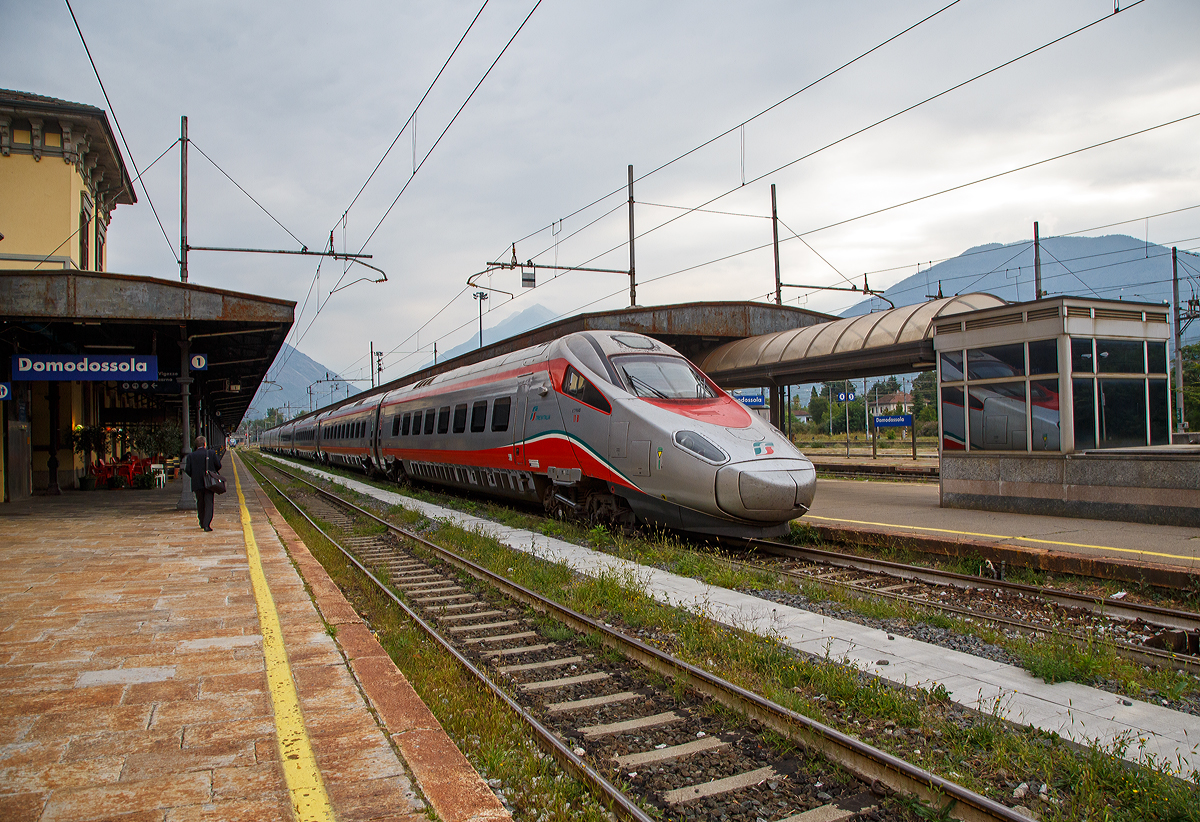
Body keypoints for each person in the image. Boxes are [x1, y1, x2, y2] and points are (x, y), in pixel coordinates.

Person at [183, 435, 223, 531]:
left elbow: (187, 469)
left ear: (196, 445)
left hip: (197, 483)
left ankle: (201, 521)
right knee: (209, 502)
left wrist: (195, 476)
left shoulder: (191, 456)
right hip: (209, 482)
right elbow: (219, 465)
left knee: (200, 502)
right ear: (205, 444)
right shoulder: (211, 453)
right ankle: (206, 524)